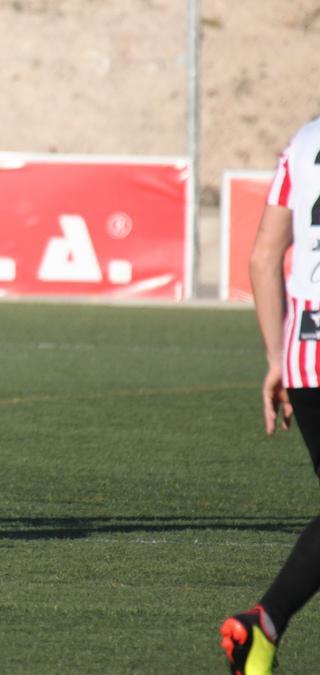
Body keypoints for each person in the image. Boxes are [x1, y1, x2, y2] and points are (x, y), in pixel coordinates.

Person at [221, 114, 320, 674]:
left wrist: (276, 359)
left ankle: (265, 625)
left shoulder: (305, 140)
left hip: (307, 355)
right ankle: (266, 621)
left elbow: (264, 255)